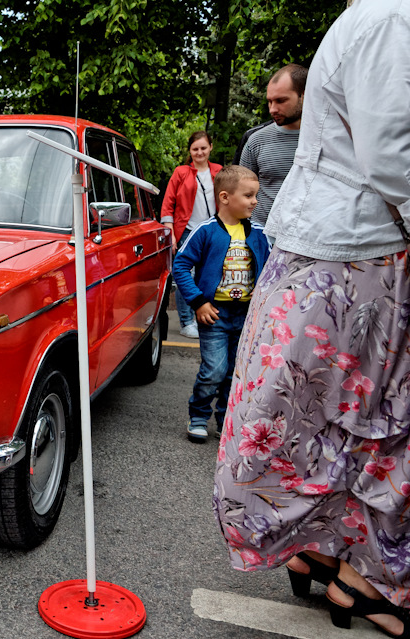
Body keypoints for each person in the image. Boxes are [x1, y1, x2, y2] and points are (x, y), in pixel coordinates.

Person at [215, 1, 410, 635]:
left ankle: (321, 554)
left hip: (339, 239)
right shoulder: (391, 19)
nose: (273, 110)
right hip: (361, 243)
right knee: (370, 415)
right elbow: (391, 152)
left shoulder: (374, 17)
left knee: (337, 415)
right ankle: (361, 576)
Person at [173, 165, 270, 443]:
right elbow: (180, 265)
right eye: (249, 195)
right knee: (214, 370)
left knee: (234, 373)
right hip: (214, 314)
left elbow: (273, 270)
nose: (255, 201)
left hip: (247, 316)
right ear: (225, 197)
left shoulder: (260, 233)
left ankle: (226, 419)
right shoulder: (205, 231)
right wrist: (198, 302)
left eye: (255, 196)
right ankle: (199, 416)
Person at [161, 131, 223, 339]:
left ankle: (205, 316)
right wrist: (170, 232)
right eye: (195, 149)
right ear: (190, 151)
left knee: (210, 273)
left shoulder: (219, 171)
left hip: (213, 230)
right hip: (187, 230)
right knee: (186, 274)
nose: (200, 152)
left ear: (210, 148)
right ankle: (186, 321)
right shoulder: (181, 172)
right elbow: (168, 202)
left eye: (203, 148)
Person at [238, 64, 307, 226]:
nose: (272, 109)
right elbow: (239, 194)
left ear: (304, 96)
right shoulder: (255, 140)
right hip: (262, 238)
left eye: (281, 101)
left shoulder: (328, 139)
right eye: (269, 102)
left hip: (312, 239)